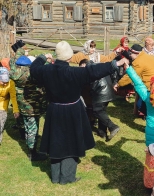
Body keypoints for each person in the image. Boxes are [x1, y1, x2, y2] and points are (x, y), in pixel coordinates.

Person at [30, 41, 127, 185]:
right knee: (71, 142)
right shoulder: (74, 72)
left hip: (54, 110)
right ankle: (67, 177)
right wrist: (115, 64)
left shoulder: (46, 70)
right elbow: (93, 71)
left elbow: (34, 68)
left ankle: (56, 177)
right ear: (69, 57)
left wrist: (43, 57)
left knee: (56, 140)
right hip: (71, 110)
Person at [125, 62, 154, 189]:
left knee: (152, 159)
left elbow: (138, 83)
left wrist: (128, 68)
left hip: (151, 133)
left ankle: (151, 184)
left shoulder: (148, 97)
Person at [9, 51, 48, 161]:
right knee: (32, 129)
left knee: (26, 124)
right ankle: (33, 153)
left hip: (22, 104)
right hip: (33, 107)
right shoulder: (32, 74)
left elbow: (12, 61)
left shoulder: (14, 74)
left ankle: (26, 140)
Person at [114, 44, 154, 116]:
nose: (130, 55)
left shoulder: (138, 62)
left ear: (136, 53)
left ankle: (150, 115)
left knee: (140, 105)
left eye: (130, 53)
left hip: (148, 87)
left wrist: (118, 84)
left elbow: (130, 76)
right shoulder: (150, 57)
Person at [79, 59, 119, 141]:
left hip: (101, 92)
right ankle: (102, 132)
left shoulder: (88, 69)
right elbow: (113, 72)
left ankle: (112, 127)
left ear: (84, 64)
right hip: (109, 91)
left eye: (81, 67)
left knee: (97, 111)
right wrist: (114, 82)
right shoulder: (98, 67)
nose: (81, 70)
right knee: (102, 112)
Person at [0, 67, 19, 144]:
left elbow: (13, 97)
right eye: (3, 82)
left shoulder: (11, 83)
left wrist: (15, 110)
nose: (5, 83)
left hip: (3, 103)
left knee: (1, 123)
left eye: (6, 82)